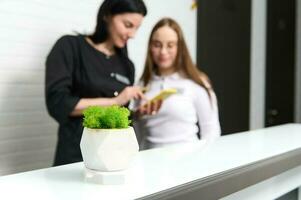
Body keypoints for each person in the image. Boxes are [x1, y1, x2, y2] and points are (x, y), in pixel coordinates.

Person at [45, 0, 149, 166]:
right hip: (76, 157)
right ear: (107, 16)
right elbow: (58, 102)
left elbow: (120, 113)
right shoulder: (70, 47)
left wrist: (137, 113)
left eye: (137, 28)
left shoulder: (126, 65)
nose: (132, 34)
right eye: (128, 25)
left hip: (116, 159)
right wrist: (114, 101)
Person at [134, 18, 221, 150]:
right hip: (149, 165)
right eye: (157, 45)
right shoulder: (141, 85)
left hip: (188, 164)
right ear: (150, 47)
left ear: (180, 48)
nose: (163, 52)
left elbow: (211, 131)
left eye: (170, 45)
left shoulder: (197, 82)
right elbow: (136, 136)